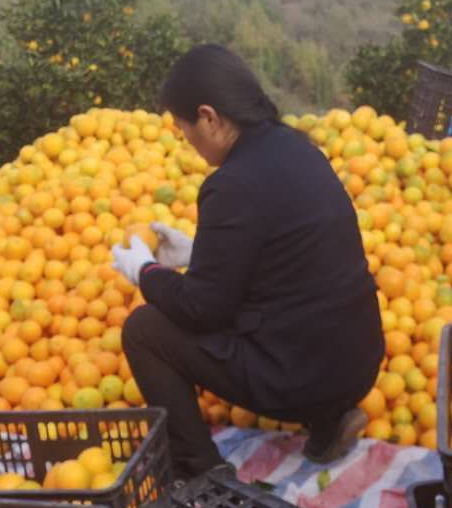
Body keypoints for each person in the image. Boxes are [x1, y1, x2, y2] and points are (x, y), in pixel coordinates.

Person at [111, 45, 384, 477]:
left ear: (209, 117)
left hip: (301, 377)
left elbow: (201, 310)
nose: (192, 146)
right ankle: (330, 422)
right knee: (277, 309)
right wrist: (198, 253)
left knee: (145, 330)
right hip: (360, 362)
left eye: (187, 132)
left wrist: (145, 271)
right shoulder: (300, 148)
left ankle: (201, 469)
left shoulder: (231, 185)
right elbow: (282, 256)